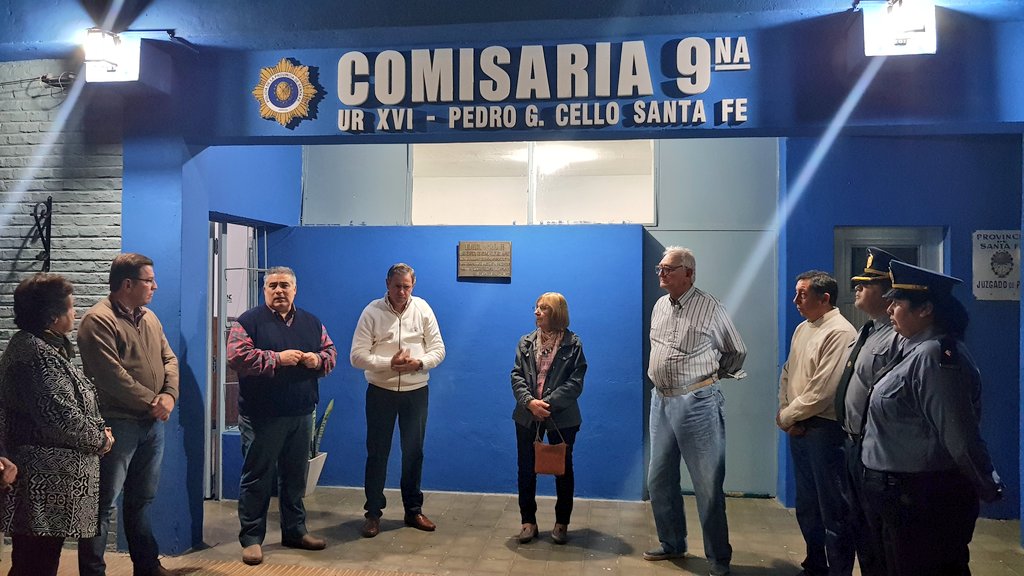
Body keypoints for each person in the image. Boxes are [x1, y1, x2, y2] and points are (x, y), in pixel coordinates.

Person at [860, 260, 1003, 575]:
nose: (890, 309)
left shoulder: (936, 356)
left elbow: (958, 433)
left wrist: (986, 483)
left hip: (920, 497)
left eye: (898, 303)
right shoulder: (912, 350)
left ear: (925, 309)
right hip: (897, 494)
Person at [0, 274, 113, 576]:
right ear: (53, 316)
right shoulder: (34, 354)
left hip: (53, 486)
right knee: (35, 564)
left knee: (39, 561)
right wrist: (101, 440)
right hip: (41, 485)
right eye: (71, 307)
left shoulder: (45, 348)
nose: (75, 313)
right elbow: (61, 418)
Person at [644, 247, 746, 576]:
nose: (662, 273)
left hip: (698, 403)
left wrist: (707, 380)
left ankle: (718, 558)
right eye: (660, 268)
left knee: (707, 485)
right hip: (661, 401)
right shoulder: (660, 306)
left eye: (669, 269)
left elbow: (736, 351)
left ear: (688, 273)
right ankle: (672, 542)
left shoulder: (710, 307)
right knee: (659, 479)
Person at [227, 266, 337, 565]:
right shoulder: (248, 321)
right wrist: (277, 359)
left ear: (294, 289)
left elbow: (331, 354)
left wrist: (317, 360)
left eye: (284, 285)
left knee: (295, 478)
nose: (279, 291)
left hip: (301, 413)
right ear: (264, 290)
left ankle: (295, 532)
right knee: (257, 478)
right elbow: (236, 357)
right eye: (273, 285)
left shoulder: (312, 322)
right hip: (261, 416)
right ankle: (251, 539)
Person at [77, 254, 179, 576]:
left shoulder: (149, 317)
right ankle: (93, 571)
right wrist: (153, 401)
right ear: (127, 284)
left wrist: (169, 395)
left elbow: (169, 359)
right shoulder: (98, 320)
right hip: (117, 423)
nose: (155, 286)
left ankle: (147, 566)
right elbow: (110, 376)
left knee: (141, 500)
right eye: (149, 280)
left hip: (151, 424)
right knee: (102, 504)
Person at [351, 263, 446, 538]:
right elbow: (356, 356)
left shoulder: (423, 309)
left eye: (407, 287)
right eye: (397, 286)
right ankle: (373, 514)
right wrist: (388, 364)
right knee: (377, 454)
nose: (402, 292)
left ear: (413, 285)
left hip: (416, 392)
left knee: (414, 453)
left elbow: (439, 349)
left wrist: (419, 363)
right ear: (387, 284)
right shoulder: (372, 311)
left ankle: (413, 510)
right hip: (381, 392)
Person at [778, 270, 856, 576]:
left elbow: (823, 391)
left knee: (833, 508)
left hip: (824, 430)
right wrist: (785, 412)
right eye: (796, 293)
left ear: (824, 298)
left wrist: (787, 416)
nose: (795, 300)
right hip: (800, 427)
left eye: (802, 294)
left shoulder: (840, 332)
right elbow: (788, 372)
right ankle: (815, 564)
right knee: (808, 505)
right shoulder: (803, 328)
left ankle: (838, 570)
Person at [832, 248, 900, 576]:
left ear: (888, 292)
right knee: (860, 525)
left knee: (879, 532)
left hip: (876, 448)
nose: (857, 288)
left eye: (867, 284)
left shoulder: (898, 336)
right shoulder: (869, 330)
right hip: (853, 443)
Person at [510, 292, 587, 545]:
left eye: (543, 308)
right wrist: (529, 402)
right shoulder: (525, 342)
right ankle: (528, 522)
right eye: (536, 307)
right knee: (525, 468)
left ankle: (561, 522)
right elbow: (516, 376)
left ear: (556, 313)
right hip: (527, 415)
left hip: (562, 417)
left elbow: (575, 382)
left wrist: (548, 404)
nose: (537, 312)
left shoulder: (573, 344)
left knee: (562, 469)